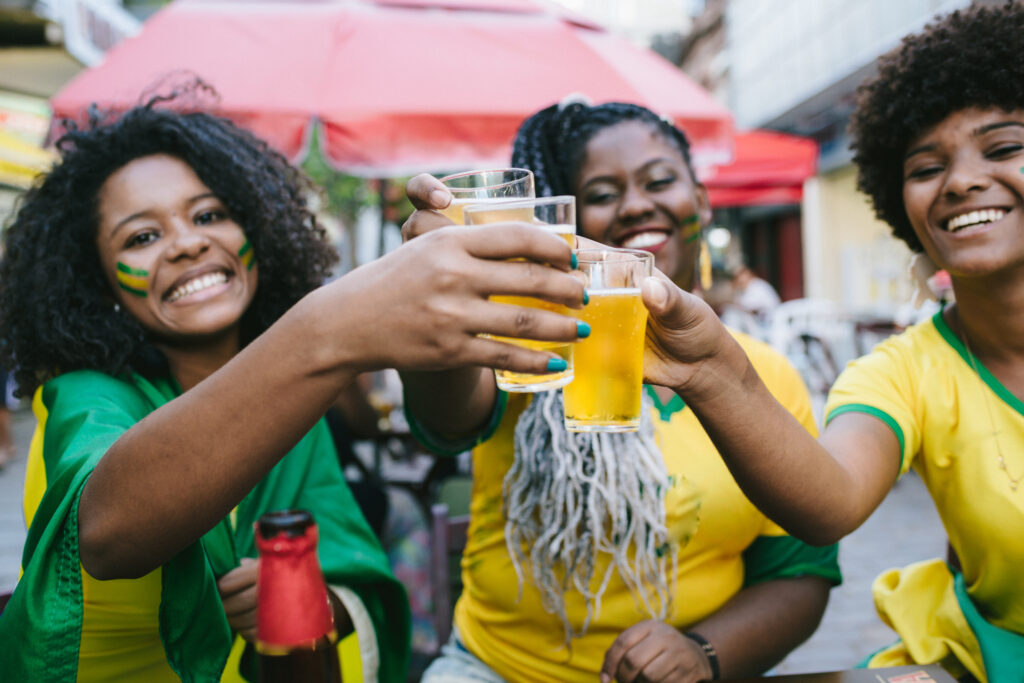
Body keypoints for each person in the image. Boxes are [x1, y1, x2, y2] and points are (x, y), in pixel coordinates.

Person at [0, 88, 586, 681]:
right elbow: (105, 532)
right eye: (141, 238)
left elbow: (354, 571)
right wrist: (326, 328)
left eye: (208, 215)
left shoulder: (297, 406)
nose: (188, 243)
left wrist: (307, 597)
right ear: (98, 285)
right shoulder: (88, 393)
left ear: (258, 229)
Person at [594, 4, 1024, 680]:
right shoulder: (903, 372)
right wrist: (712, 370)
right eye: (925, 166)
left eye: (1003, 148)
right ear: (898, 201)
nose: (963, 180)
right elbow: (831, 502)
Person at [401, 100, 841, 682]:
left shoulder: (762, 375)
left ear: (701, 202)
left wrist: (703, 654)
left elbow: (800, 574)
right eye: (604, 194)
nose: (636, 204)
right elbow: (446, 421)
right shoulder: (526, 341)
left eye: (659, 181)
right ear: (568, 223)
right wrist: (441, 294)